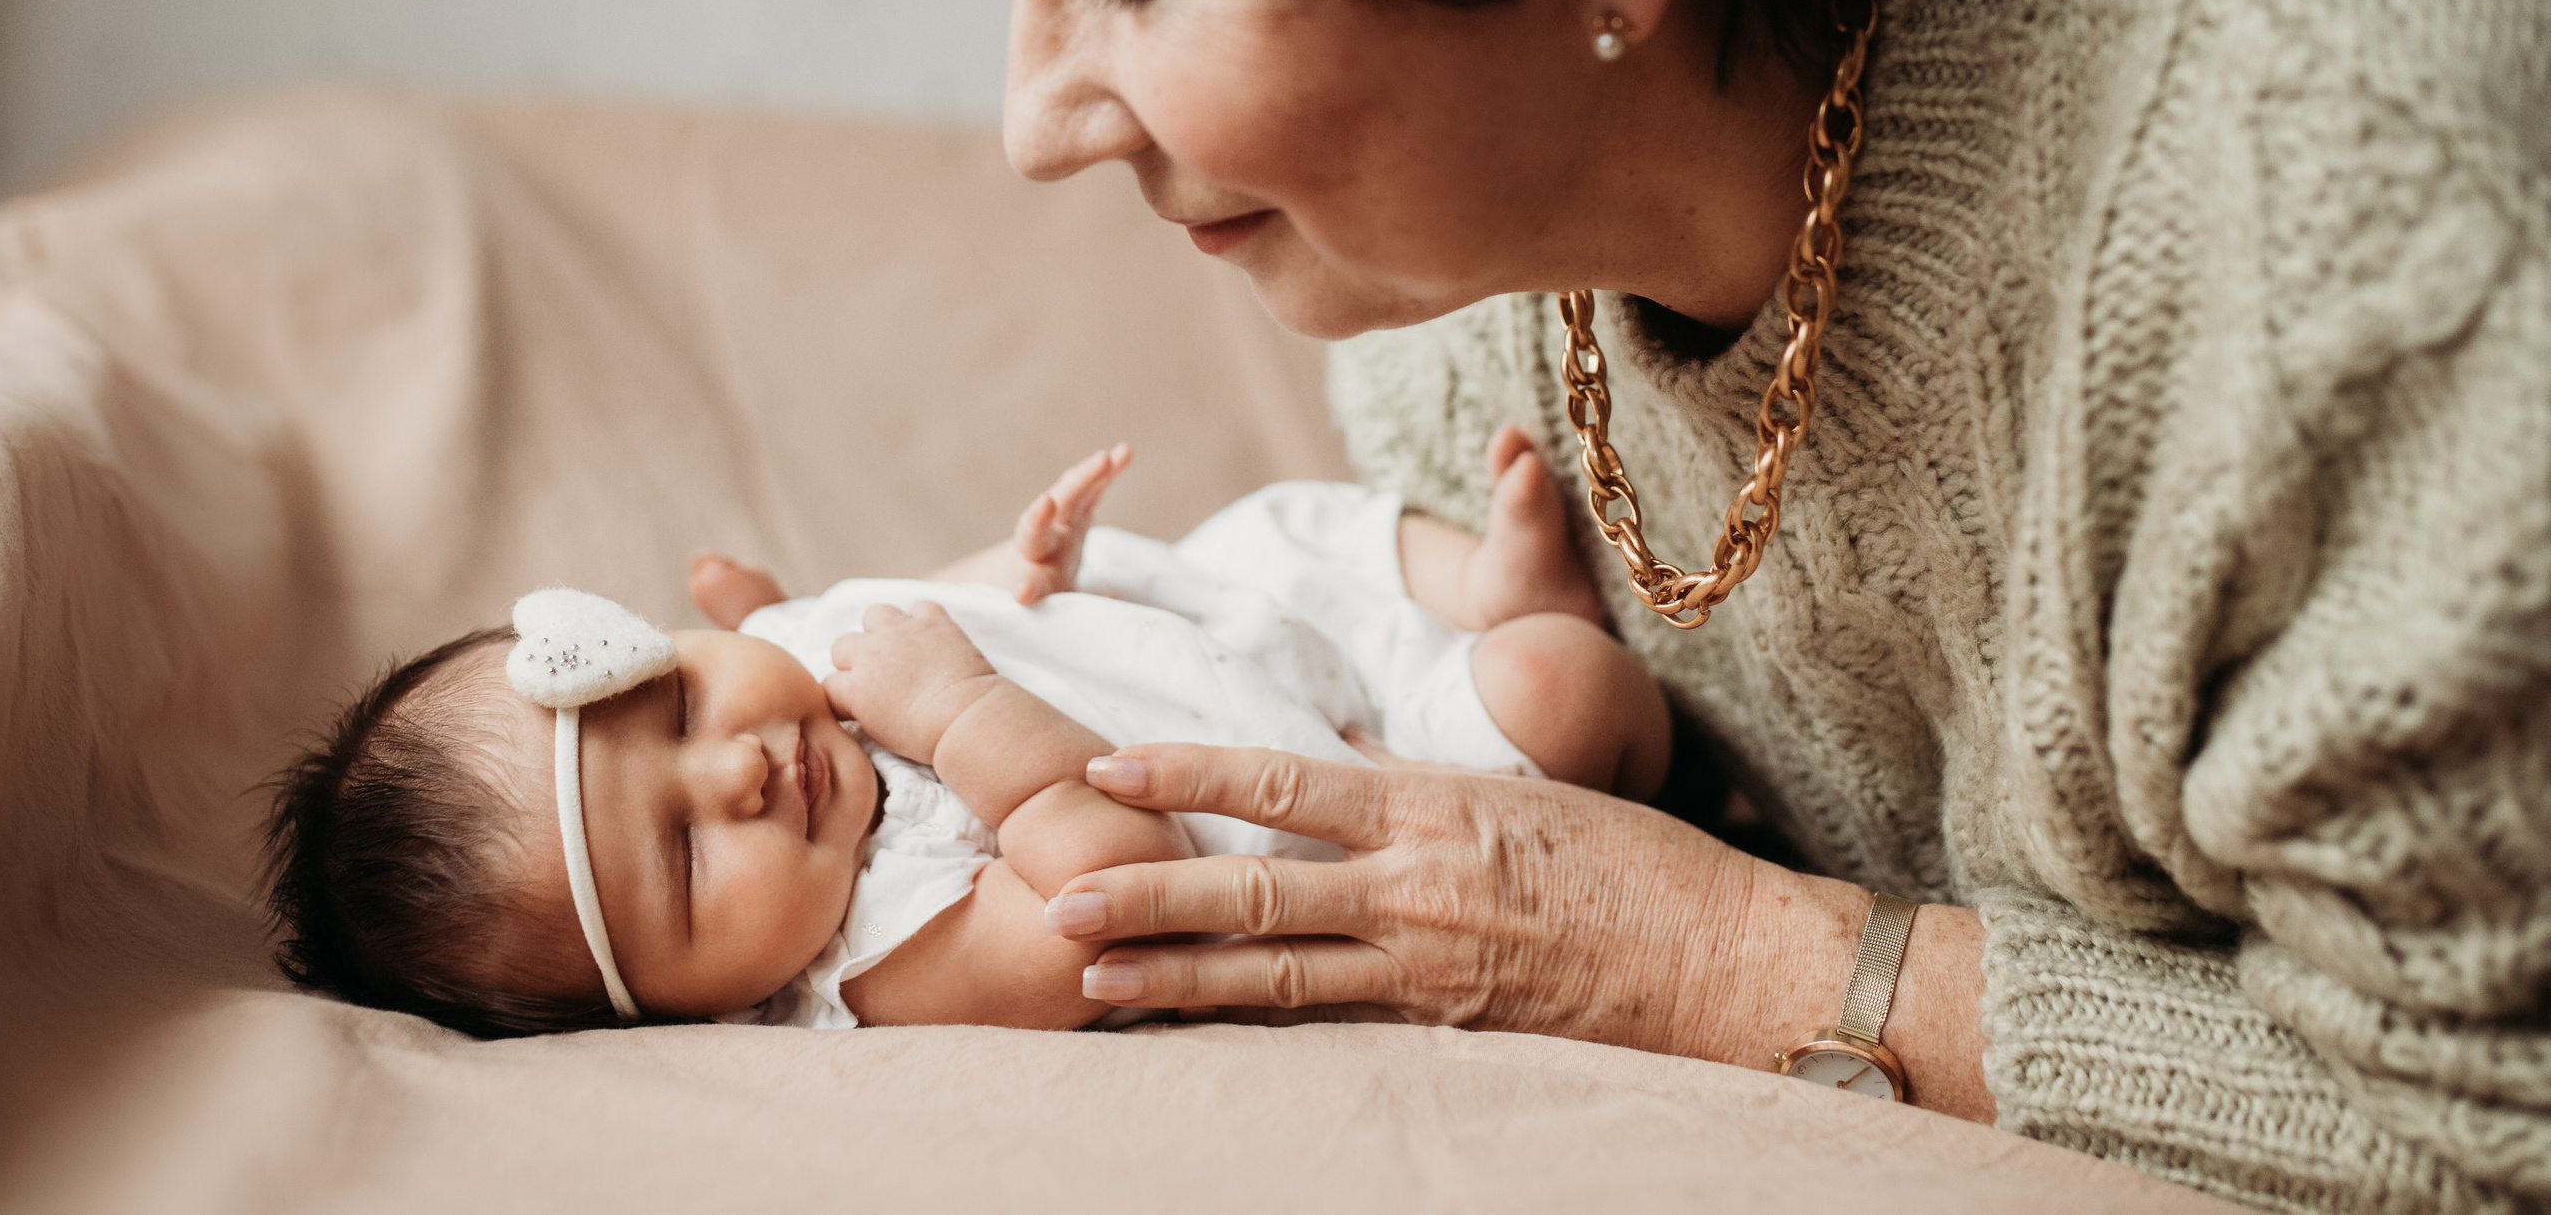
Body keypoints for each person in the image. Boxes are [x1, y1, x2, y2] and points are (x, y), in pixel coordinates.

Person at [820, 0, 2551, 1209]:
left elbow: (2496, 1114)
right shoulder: (1445, 334)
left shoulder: (2356, 238)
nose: (1032, 121)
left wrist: (1708, 949)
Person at [259, 440, 1669, 1035]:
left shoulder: (792, 681)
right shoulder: (884, 952)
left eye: (679, 704)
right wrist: (964, 717)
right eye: (685, 857)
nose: (735, 769)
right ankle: (1513, 655)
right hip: (1356, 796)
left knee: (1286, 524)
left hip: (1261, 640)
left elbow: (901, 608)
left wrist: (1013, 564)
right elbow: (1109, 887)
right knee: (1564, 692)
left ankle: (1448, 592)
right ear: (695, 1005)